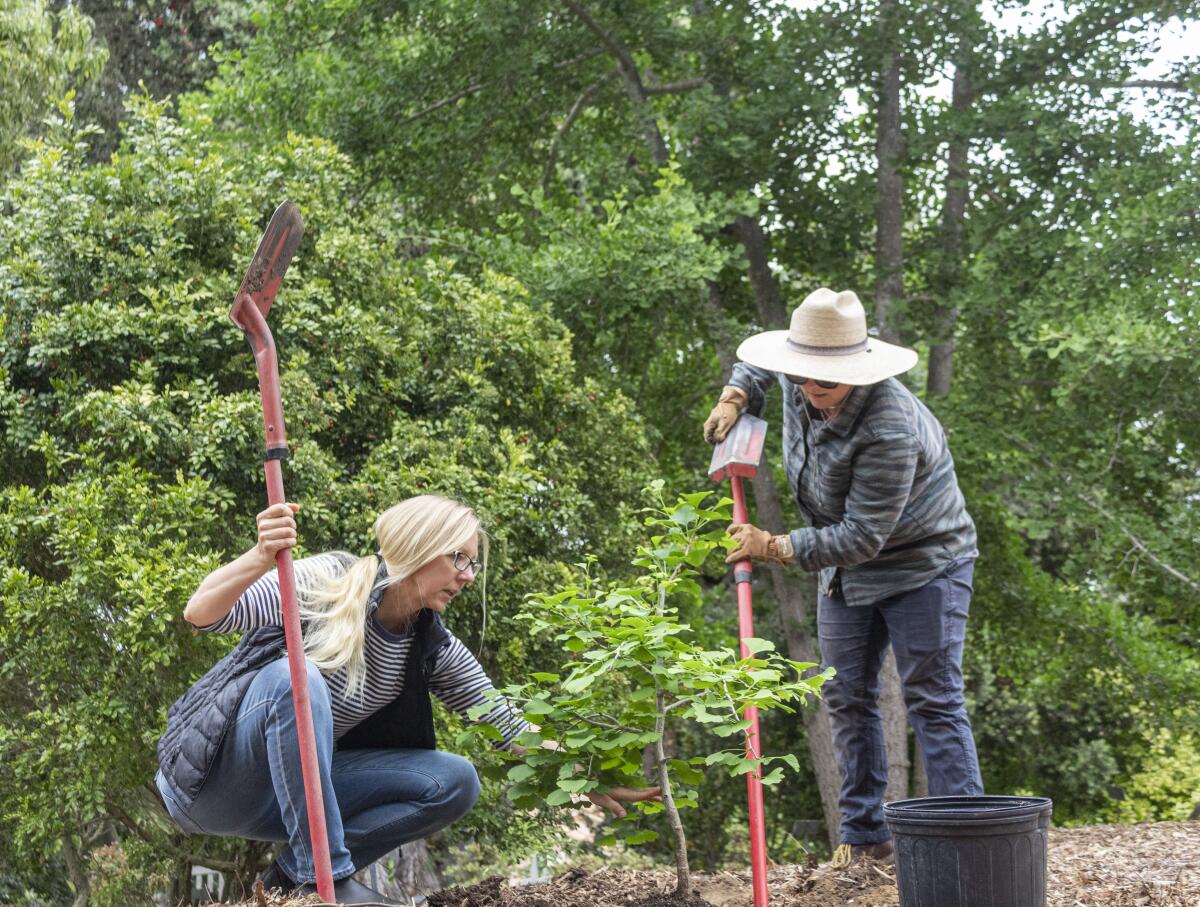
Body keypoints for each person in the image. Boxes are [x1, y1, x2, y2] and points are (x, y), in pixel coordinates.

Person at [155, 494, 654, 905]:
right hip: (212, 782)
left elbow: (503, 721)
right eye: (458, 558)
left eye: (473, 564)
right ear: (420, 548)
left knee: (455, 780)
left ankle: (293, 883)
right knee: (297, 677)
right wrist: (261, 557)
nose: (468, 576)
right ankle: (329, 880)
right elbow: (202, 613)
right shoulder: (328, 582)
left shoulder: (428, 644)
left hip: (292, 798)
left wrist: (581, 774)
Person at [703, 288, 983, 869]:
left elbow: (861, 537)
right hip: (843, 569)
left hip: (924, 563)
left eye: (822, 383)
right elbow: (759, 361)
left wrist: (774, 545)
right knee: (845, 694)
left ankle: (966, 844)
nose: (808, 389)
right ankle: (865, 840)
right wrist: (736, 395)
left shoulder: (891, 427)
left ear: (856, 372)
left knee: (931, 698)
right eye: (800, 377)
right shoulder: (801, 374)